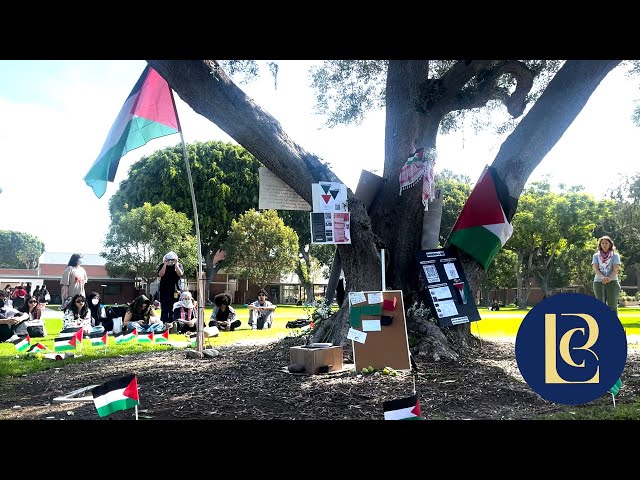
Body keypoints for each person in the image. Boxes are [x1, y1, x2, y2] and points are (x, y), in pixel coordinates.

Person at [592, 235, 622, 315]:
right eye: (602, 243)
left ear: (610, 244)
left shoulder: (615, 256)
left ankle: (614, 325)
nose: (604, 245)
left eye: (606, 243)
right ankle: (601, 325)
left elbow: (616, 269)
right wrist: (602, 278)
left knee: (612, 306)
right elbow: (596, 269)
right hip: (598, 282)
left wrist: (609, 278)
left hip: (612, 282)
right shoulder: (596, 256)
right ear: (600, 245)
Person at [157, 251, 184, 325]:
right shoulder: (162, 265)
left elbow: (180, 274)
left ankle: (174, 322)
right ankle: (163, 322)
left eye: (172, 260)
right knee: (164, 307)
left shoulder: (179, 265)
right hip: (164, 290)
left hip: (175, 290)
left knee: (174, 306)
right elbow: (160, 274)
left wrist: (176, 265)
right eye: (168, 260)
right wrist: (165, 265)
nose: (170, 261)